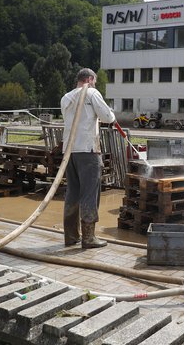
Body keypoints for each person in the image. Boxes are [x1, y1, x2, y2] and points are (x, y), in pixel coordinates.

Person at [61, 68, 116, 249]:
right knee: (90, 193)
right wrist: (112, 113)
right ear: (91, 79)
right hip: (88, 150)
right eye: (95, 80)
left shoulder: (66, 97)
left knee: (73, 193)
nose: (95, 83)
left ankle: (70, 236)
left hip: (69, 152)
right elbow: (107, 117)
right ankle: (89, 237)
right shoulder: (92, 93)